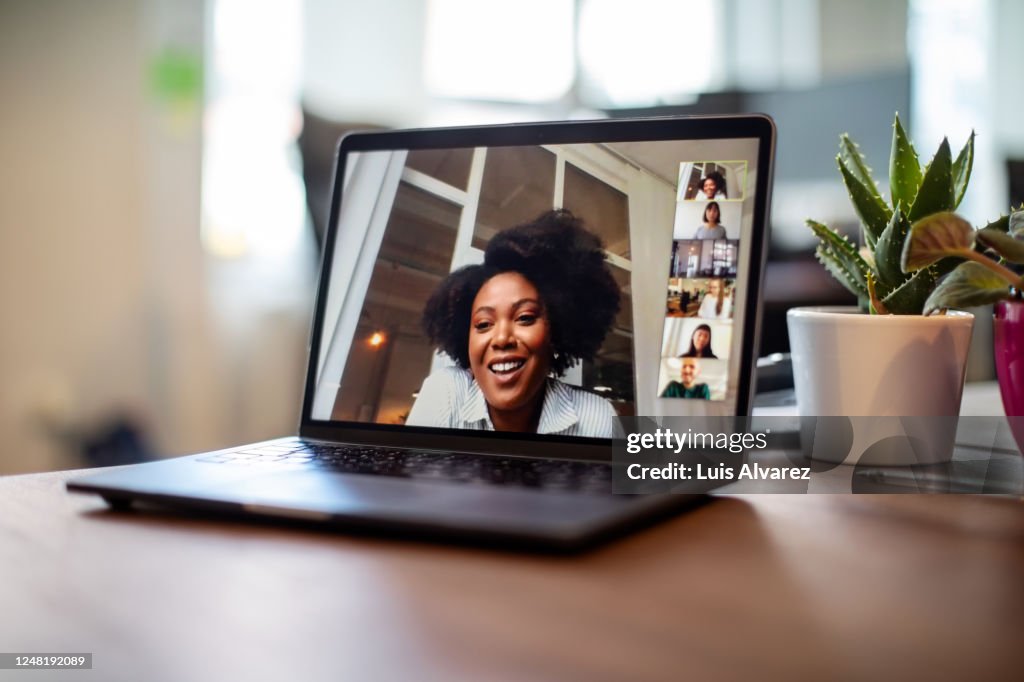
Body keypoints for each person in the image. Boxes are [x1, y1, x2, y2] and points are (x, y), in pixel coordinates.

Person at [406, 210, 621, 437]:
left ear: (555, 334)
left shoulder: (598, 419)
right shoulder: (444, 395)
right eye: (483, 324)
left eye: (525, 318)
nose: (501, 339)